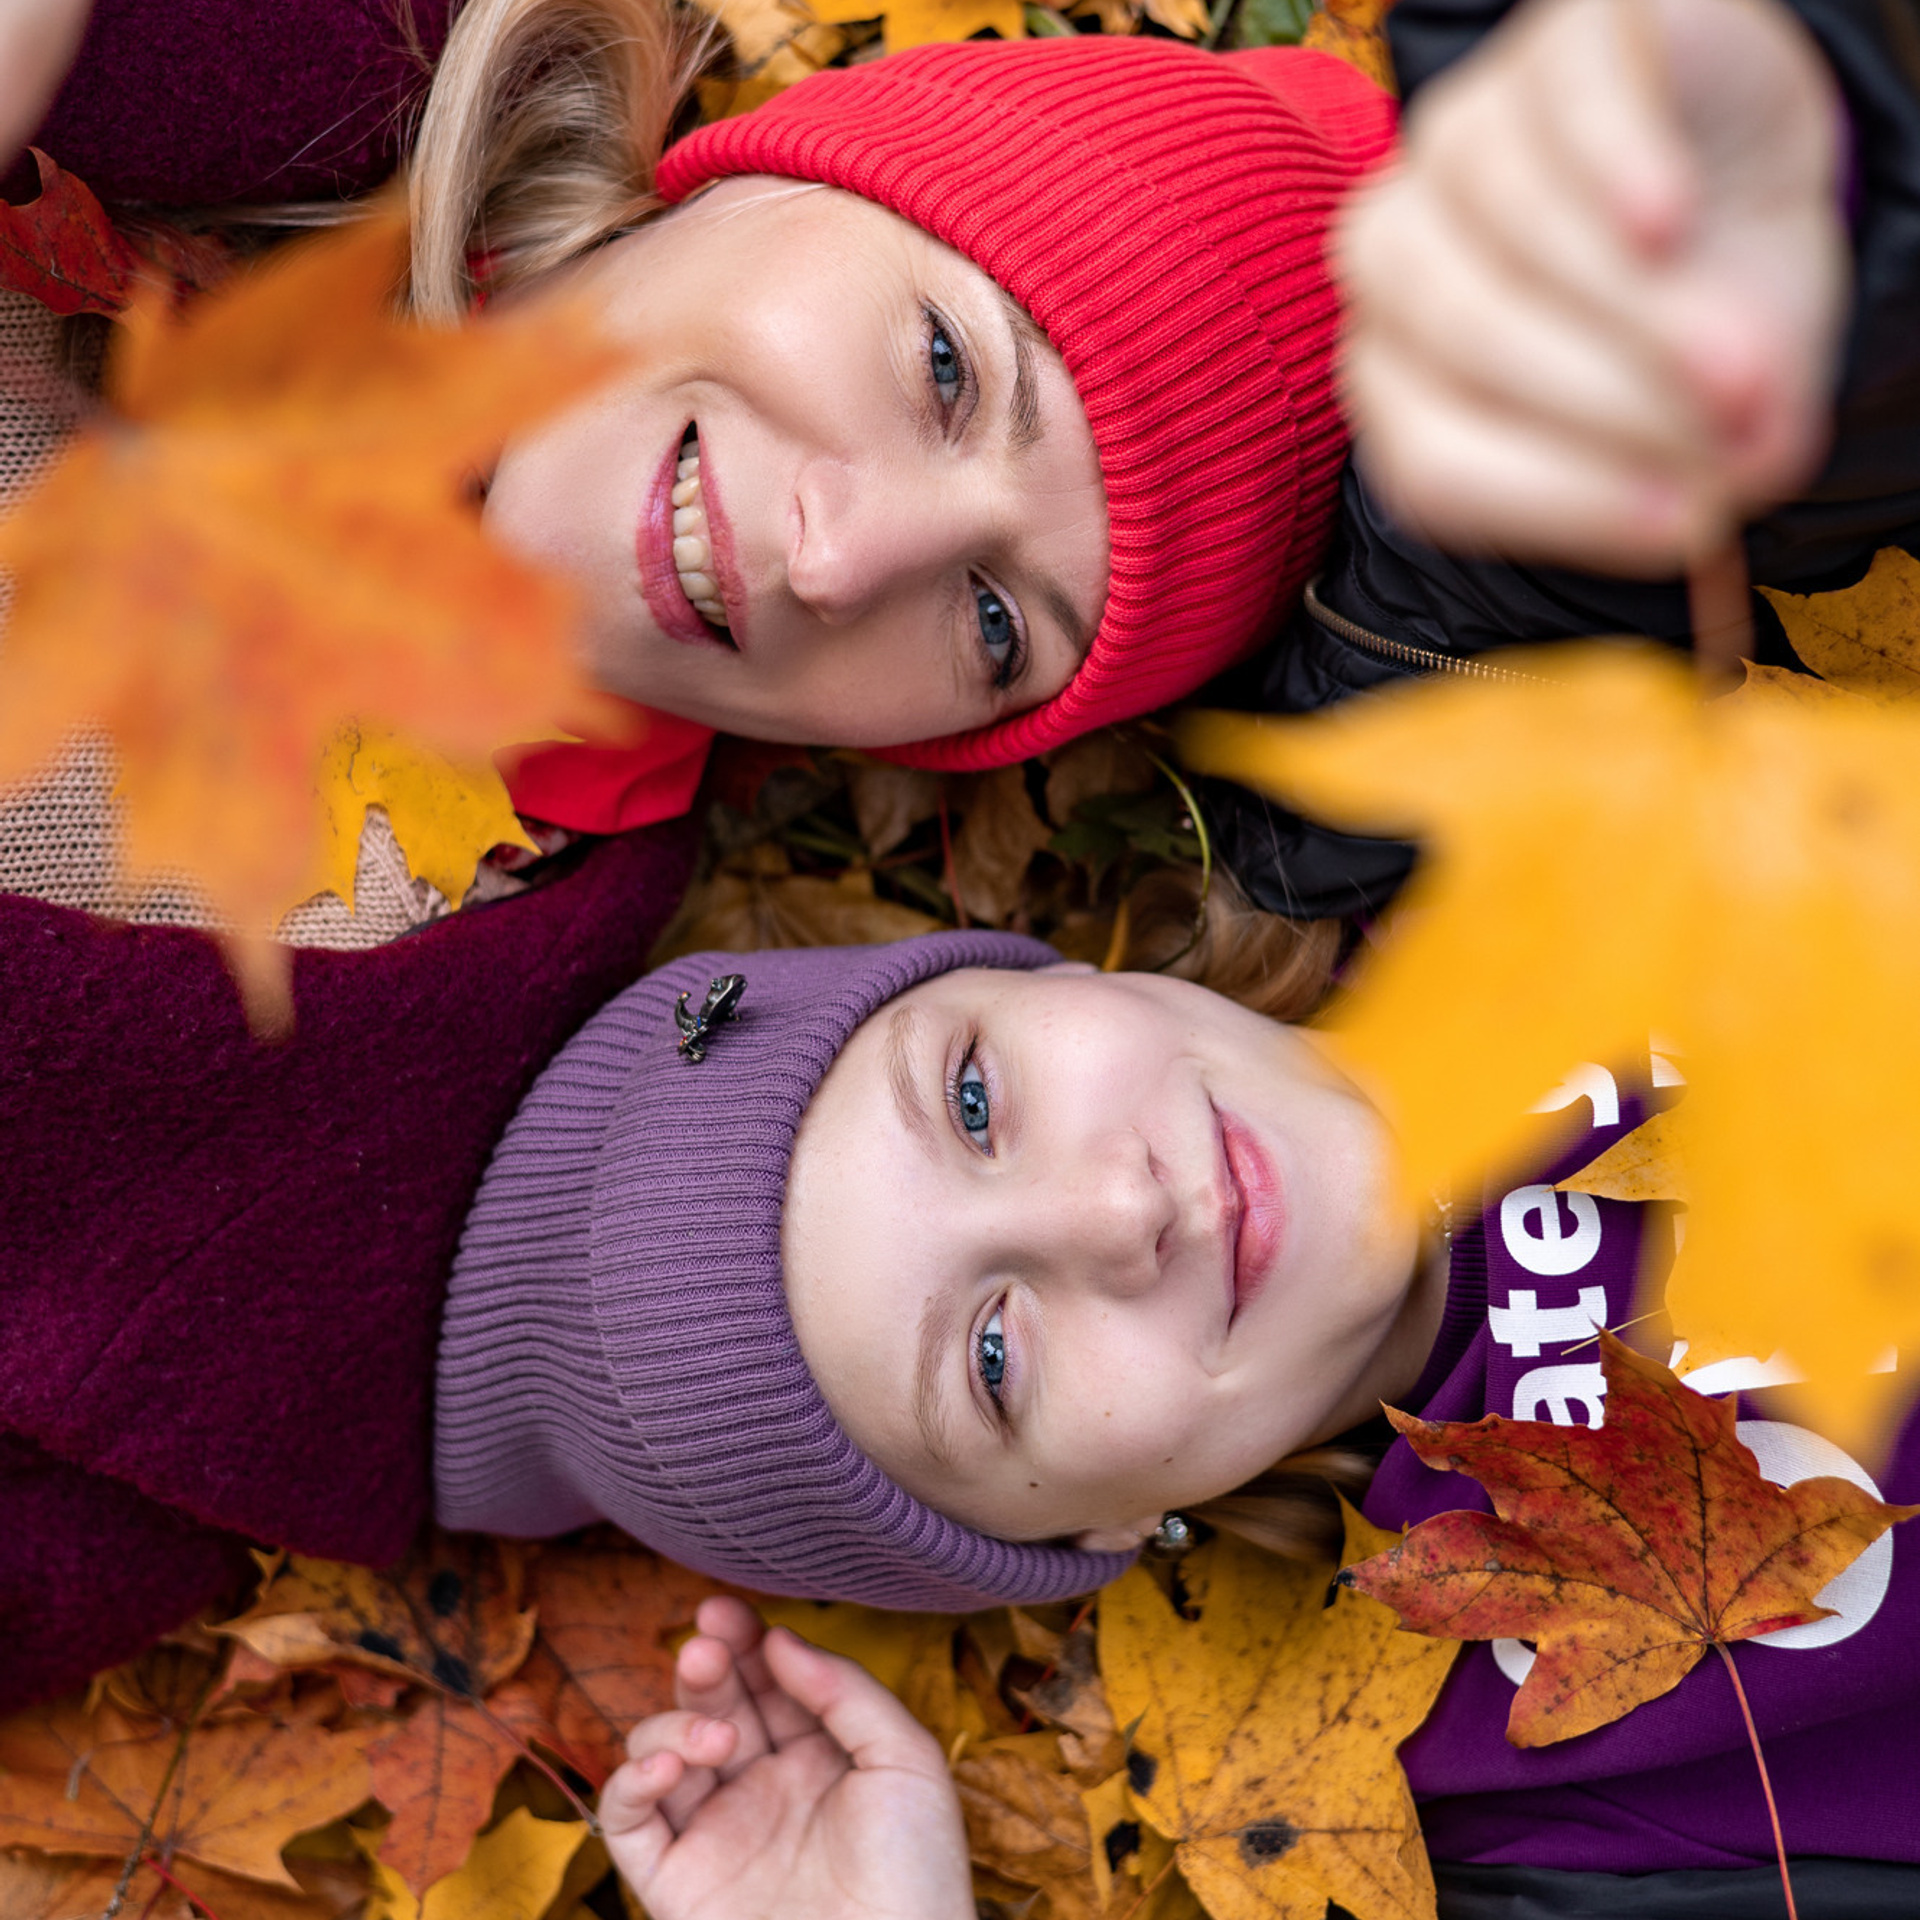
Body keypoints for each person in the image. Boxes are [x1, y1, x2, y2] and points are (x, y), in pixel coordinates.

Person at [1, 0, 1392, 850]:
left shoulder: (497, 975)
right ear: (789, 169)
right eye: (947, 370)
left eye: (995, 625)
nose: (839, 565)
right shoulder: (259, 53)